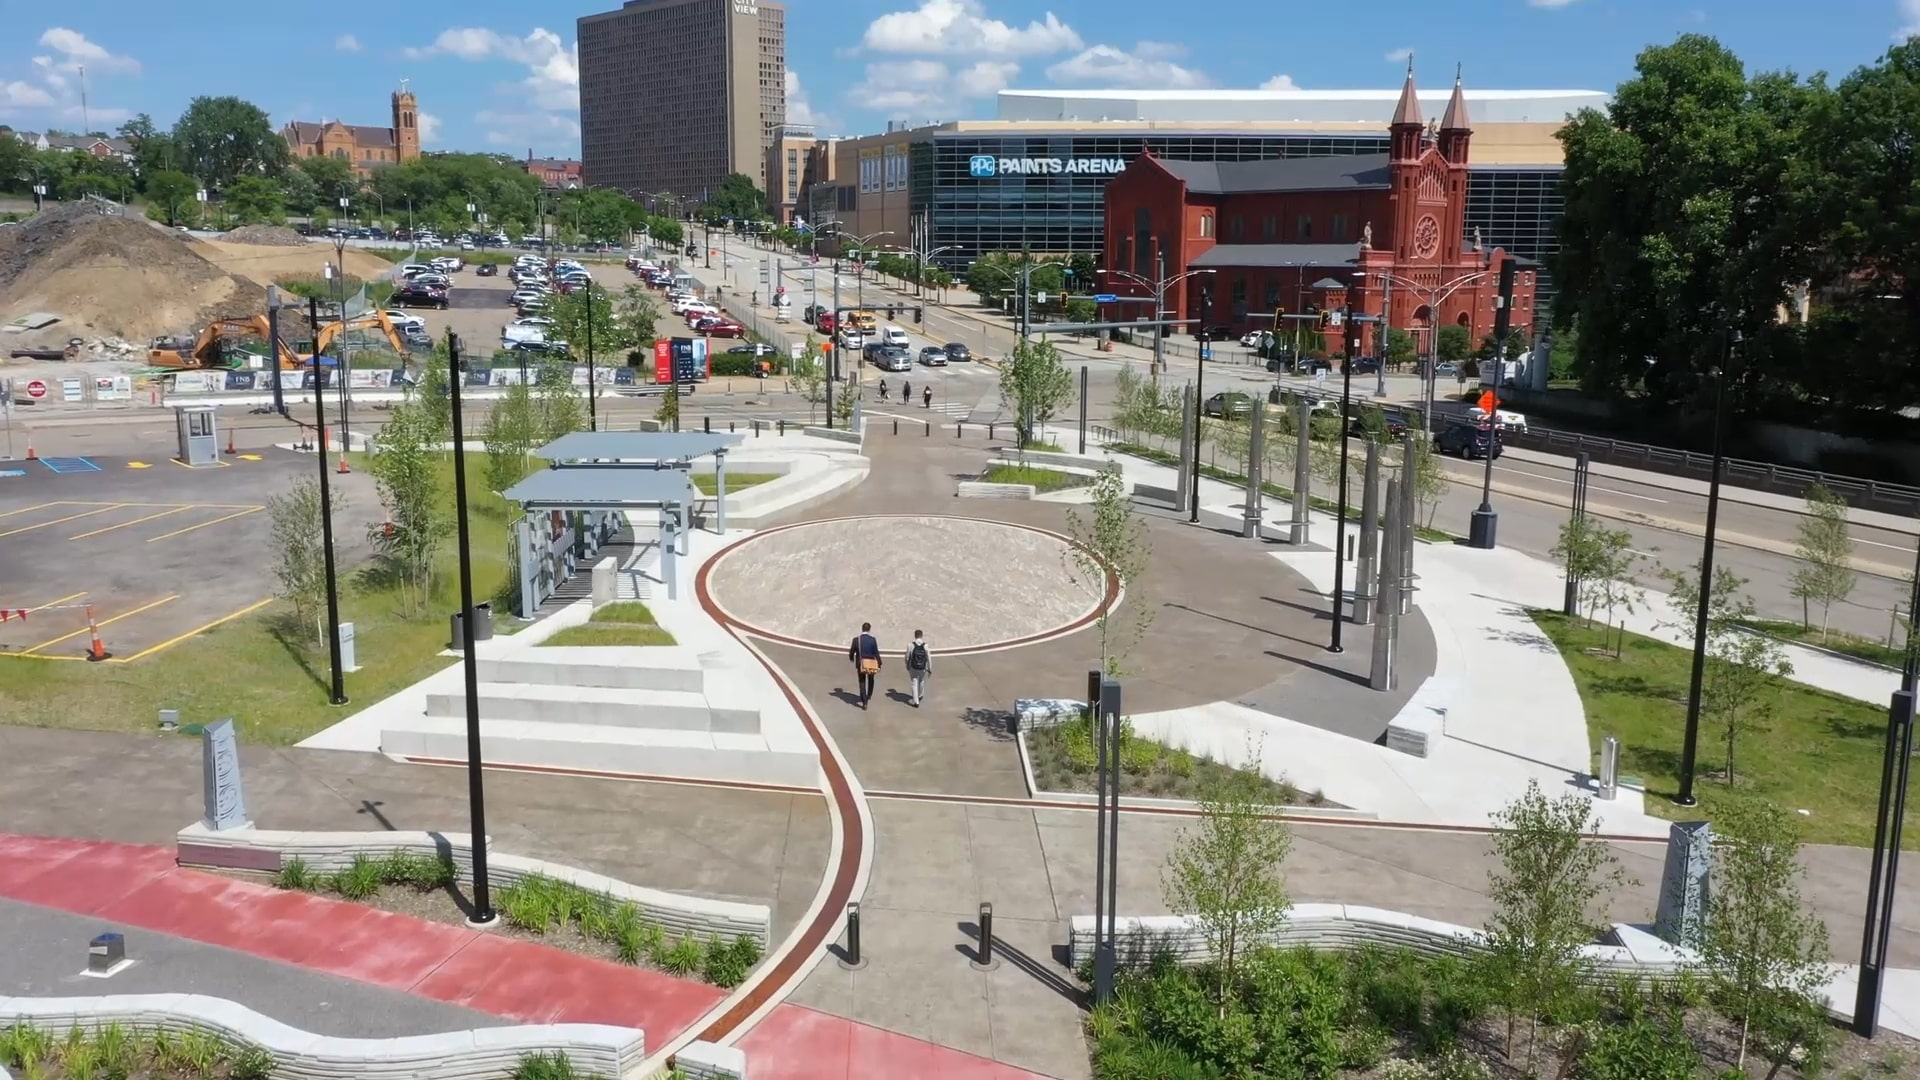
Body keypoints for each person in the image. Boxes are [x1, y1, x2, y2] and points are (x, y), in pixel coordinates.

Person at [848, 622, 881, 708]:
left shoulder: (856, 640)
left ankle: (864, 701)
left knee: (862, 681)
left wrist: (851, 658)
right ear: (869, 629)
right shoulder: (873, 640)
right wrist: (879, 663)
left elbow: (852, 651)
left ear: (862, 629)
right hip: (871, 663)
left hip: (861, 663)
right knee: (871, 679)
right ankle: (869, 694)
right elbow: (876, 653)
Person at [905, 630, 932, 707]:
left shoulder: (910, 645)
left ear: (915, 635)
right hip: (922, 667)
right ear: (921, 635)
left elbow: (907, 657)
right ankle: (920, 695)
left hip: (913, 667)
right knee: (921, 680)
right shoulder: (925, 645)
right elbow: (928, 657)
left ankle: (916, 701)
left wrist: (907, 665)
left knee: (914, 682)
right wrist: (930, 668)